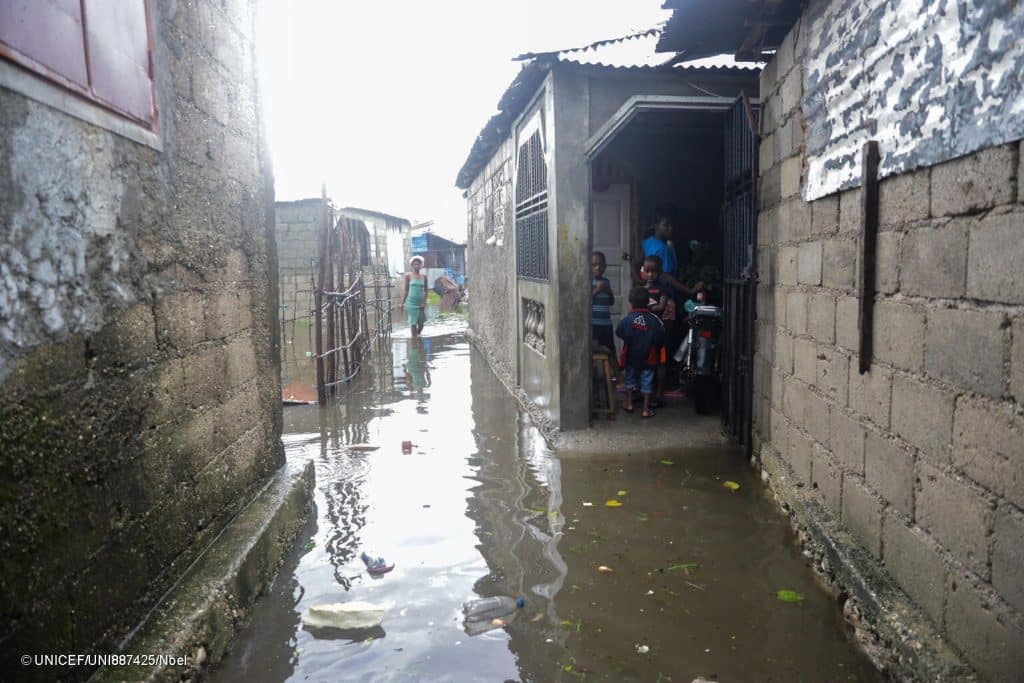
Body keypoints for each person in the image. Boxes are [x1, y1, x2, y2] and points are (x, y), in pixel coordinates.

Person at [615, 287, 665, 418]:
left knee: (630, 380)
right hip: (649, 357)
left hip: (631, 357)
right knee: (647, 381)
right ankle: (645, 409)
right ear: (648, 302)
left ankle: (629, 404)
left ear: (631, 302)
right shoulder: (654, 320)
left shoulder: (627, 319)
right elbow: (660, 338)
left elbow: (619, 332)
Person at [638, 214, 703, 298]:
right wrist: (689, 291)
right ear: (656, 225)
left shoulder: (648, 242)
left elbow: (636, 262)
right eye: (666, 225)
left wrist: (641, 282)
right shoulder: (663, 248)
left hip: (651, 294)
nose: (670, 228)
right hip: (663, 296)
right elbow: (667, 277)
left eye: (671, 225)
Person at [642, 255, 677, 406]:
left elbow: (661, 307)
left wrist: (647, 307)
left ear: (660, 271)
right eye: (647, 271)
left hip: (659, 331)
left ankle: (659, 393)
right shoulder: (642, 289)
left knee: (660, 362)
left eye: (654, 271)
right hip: (644, 330)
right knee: (646, 360)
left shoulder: (663, 289)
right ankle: (646, 391)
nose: (650, 274)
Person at [591, 251, 615, 356]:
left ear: (605, 267)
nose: (598, 268)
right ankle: (598, 348)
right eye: (594, 265)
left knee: (611, 349)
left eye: (601, 265)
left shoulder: (606, 281)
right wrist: (598, 289)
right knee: (593, 349)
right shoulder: (588, 281)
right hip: (594, 323)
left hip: (606, 323)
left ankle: (615, 372)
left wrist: (608, 290)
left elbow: (611, 302)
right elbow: (586, 302)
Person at [402, 256, 427, 337]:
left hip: (420, 303)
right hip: (411, 303)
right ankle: (414, 340)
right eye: (415, 264)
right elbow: (406, 290)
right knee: (413, 323)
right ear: (412, 265)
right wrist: (402, 303)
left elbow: (426, 291)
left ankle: (418, 334)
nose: (416, 266)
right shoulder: (408, 276)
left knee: (421, 323)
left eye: (418, 264)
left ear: (421, 265)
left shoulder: (424, 276)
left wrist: (424, 303)